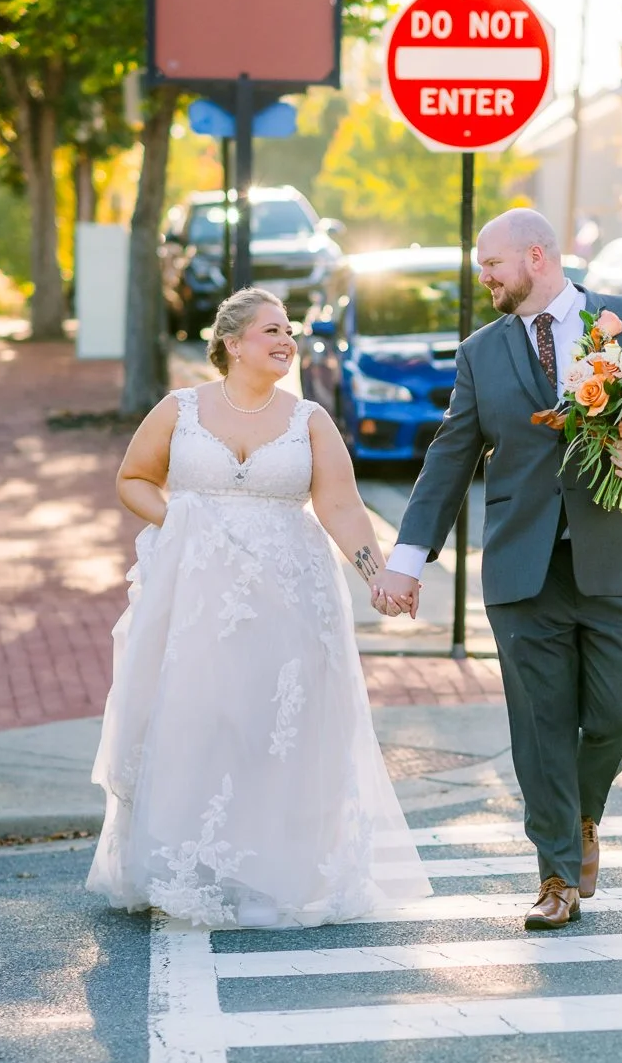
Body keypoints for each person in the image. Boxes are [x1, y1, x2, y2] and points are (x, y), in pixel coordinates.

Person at [87, 287, 431, 928]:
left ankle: (276, 868)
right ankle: (191, 865)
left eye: (289, 331)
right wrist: (186, 523)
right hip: (198, 594)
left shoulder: (308, 420)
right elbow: (133, 479)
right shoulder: (179, 408)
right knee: (202, 717)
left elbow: (340, 506)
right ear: (232, 343)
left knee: (279, 726)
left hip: (291, 593)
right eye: (271, 330)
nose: (285, 341)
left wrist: (377, 575)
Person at [374, 209, 622, 930]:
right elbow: (450, 456)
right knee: (540, 725)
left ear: (536, 257)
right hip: (522, 567)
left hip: (621, 558)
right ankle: (555, 875)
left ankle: (580, 813)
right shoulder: (481, 352)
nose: (482, 278)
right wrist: (407, 559)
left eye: (491, 265)